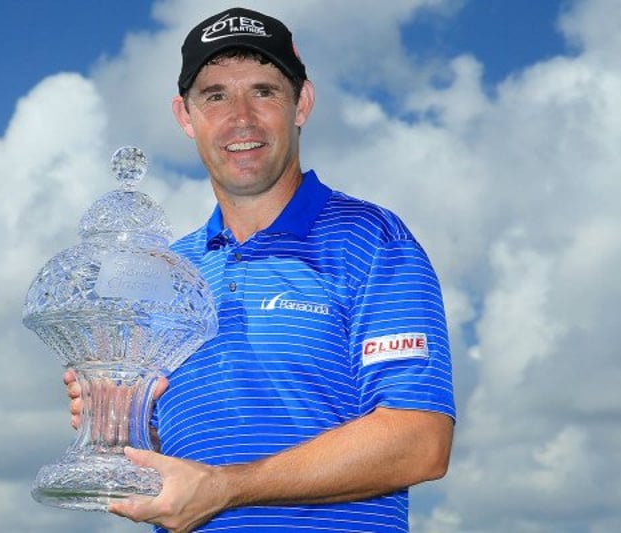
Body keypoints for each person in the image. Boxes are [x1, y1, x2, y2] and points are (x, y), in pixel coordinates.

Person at [64, 7, 456, 532]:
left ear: (302, 103)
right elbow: (173, 461)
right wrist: (118, 424)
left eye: (264, 91)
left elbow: (420, 441)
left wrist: (226, 488)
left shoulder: (372, 240)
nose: (241, 118)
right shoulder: (164, 277)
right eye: (216, 95)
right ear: (185, 115)